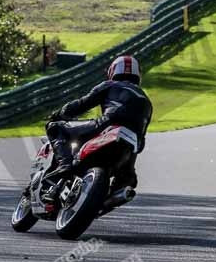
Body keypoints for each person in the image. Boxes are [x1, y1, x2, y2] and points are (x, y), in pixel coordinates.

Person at [43, 55, 152, 203]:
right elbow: (141, 142)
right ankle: (115, 193)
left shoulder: (110, 85)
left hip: (107, 125)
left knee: (55, 128)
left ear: (113, 71)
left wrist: (59, 113)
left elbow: (81, 104)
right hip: (130, 147)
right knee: (127, 180)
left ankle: (64, 166)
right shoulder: (146, 101)